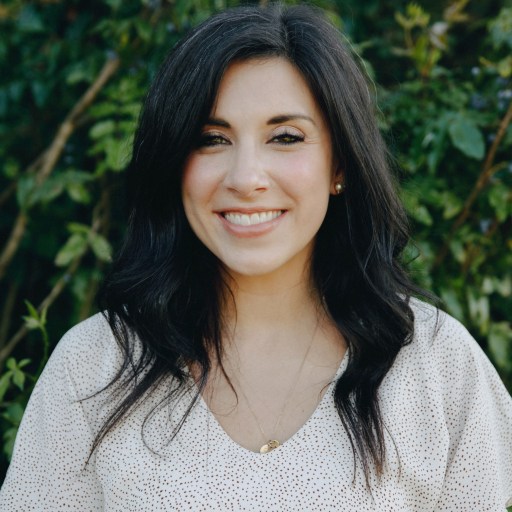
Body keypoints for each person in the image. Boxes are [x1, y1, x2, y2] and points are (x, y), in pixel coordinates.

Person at [1, 4, 511, 511]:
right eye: (211, 139)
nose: (246, 178)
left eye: (285, 137)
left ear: (341, 165)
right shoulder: (95, 367)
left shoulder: (434, 363)